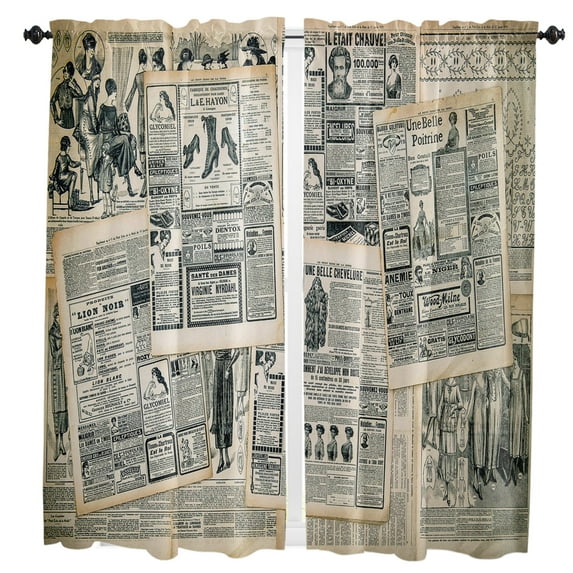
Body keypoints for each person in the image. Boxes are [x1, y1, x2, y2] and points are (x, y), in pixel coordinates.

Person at [98, 78, 138, 196]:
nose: (116, 96)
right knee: (125, 140)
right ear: (112, 92)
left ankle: (129, 186)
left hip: (114, 139)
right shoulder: (102, 108)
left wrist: (122, 133)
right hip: (107, 142)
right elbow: (98, 127)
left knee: (126, 141)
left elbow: (116, 128)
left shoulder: (114, 109)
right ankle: (132, 166)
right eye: (115, 93)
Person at [211, 348, 240, 473]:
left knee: (226, 409)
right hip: (218, 367)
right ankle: (221, 457)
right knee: (218, 410)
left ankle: (226, 454)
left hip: (227, 367)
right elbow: (212, 349)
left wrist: (228, 367)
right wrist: (218, 357)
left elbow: (238, 351)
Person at [437, 377, 465, 506]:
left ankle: (450, 486)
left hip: (452, 421)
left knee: (451, 453)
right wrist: (439, 418)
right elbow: (440, 403)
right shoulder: (444, 386)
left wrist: (454, 407)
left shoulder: (456, 387)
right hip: (444, 422)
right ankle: (446, 486)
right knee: (444, 452)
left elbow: (461, 403)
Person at [125, 49, 148, 197]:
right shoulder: (147, 75)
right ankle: (145, 173)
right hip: (148, 103)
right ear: (144, 63)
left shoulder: (137, 76)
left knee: (141, 137)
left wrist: (126, 104)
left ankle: (144, 170)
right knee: (146, 136)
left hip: (140, 106)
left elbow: (132, 92)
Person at [49, 303, 68, 461]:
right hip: (57, 373)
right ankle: (57, 444)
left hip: (64, 371)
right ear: (55, 317)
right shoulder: (52, 332)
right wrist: (64, 347)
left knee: (64, 409)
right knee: (58, 408)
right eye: (58, 316)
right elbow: (54, 354)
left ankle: (62, 442)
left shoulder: (63, 329)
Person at [466, 373, 488, 499]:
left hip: (483, 417)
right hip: (477, 417)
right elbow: (471, 402)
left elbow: (487, 399)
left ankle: (477, 479)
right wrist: (467, 416)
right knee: (476, 448)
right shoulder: (475, 382)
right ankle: (477, 481)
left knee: (481, 447)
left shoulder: (486, 381)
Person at [49, 136, 80, 210]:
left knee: (73, 175)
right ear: (66, 147)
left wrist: (77, 163)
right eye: (69, 146)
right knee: (74, 175)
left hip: (64, 176)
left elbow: (72, 164)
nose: (69, 148)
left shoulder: (63, 156)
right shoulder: (62, 157)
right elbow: (72, 164)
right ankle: (70, 200)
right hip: (61, 178)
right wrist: (79, 163)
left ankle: (70, 199)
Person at [50, 61, 83, 129]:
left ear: (70, 74)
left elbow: (80, 95)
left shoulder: (70, 89)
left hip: (70, 118)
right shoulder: (59, 88)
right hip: (62, 116)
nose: (65, 73)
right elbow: (51, 102)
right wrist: (56, 119)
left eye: (68, 72)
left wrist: (74, 83)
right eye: (64, 71)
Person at [304, 277, 328, 351]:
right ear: (313, 285)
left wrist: (322, 304)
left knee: (317, 333)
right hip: (311, 318)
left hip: (318, 318)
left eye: (318, 284)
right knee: (311, 333)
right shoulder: (310, 294)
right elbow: (307, 302)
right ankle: (310, 349)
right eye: (315, 284)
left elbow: (324, 305)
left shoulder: (322, 294)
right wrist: (313, 306)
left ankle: (315, 349)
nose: (316, 286)